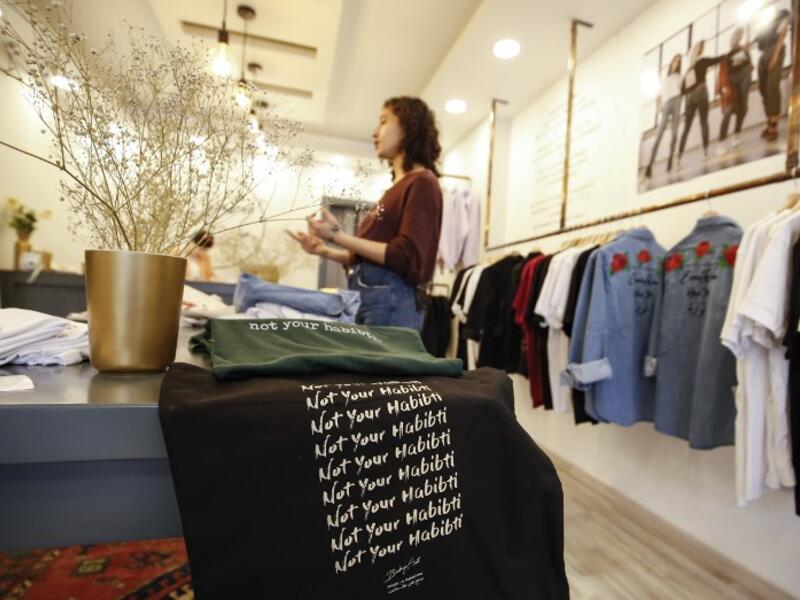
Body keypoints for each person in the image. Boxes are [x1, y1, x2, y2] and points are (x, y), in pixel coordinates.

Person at [289, 97, 443, 330]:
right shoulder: (395, 190)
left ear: (408, 126)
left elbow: (405, 255)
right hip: (373, 297)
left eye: (383, 122)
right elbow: (370, 257)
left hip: (390, 300)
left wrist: (336, 236)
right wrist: (323, 250)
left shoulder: (422, 182)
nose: (374, 132)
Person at [677, 40, 722, 168]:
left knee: (693, 126)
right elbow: (717, 60)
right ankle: (702, 153)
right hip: (697, 93)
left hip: (694, 95)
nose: (701, 50)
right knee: (699, 124)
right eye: (700, 47)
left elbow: (682, 91)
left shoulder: (694, 67)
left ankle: (684, 158)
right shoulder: (698, 64)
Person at [645, 53, 683, 178]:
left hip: (677, 101)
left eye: (678, 61)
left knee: (674, 134)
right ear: (671, 63)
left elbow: (683, 90)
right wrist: (659, 107)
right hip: (667, 104)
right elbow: (658, 95)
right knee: (659, 135)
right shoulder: (665, 79)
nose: (676, 63)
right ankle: (649, 165)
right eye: (675, 61)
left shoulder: (679, 77)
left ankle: (670, 160)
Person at [756, 8, 790, 142]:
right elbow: (758, 41)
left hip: (775, 50)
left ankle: (774, 127)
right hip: (764, 54)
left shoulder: (784, 15)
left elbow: (782, 34)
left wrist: (776, 55)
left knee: (772, 87)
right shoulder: (768, 23)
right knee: (763, 89)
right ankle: (769, 122)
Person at [717, 27, 753, 153]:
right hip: (731, 82)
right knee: (728, 110)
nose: (737, 40)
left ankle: (737, 134)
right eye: (735, 37)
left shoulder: (745, 50)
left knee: (743, 107)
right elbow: (721, 75)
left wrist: (747, 53)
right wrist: (722, 89)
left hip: (744, 76)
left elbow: (750, 65)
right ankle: (721, 141)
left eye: (739, 37)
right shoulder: (726, 56)